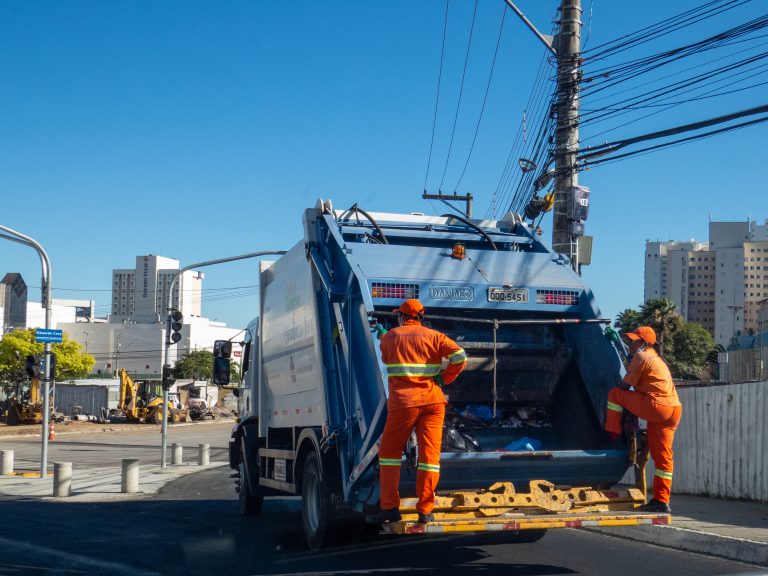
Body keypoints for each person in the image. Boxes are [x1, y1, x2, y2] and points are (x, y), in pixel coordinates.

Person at [366, 299, 468, 525]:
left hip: (404, 403)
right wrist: (444, 378)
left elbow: (387, 356)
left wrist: (384, 335)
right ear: (420, 317)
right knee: (430, 458)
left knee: (389, 454)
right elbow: (460, 356)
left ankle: (390, 508)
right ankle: (426, 510)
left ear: (401, 317)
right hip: (433, 402)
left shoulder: (391, 337)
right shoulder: (435, 336)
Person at [605, 326, 682, 513]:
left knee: (614, 394)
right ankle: (661, 501)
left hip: (656, 407)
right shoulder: (656, 359)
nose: (630, 344)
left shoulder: (641, 357)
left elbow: (624, 386)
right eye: (630, 341)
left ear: (645, 343)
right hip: (673, 410)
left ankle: (613, 432)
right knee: (663, 458)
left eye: (634, 341)